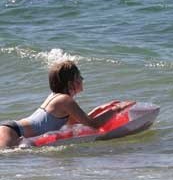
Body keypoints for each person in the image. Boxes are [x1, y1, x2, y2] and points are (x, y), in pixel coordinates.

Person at [0, 60, 129, 149]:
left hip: (11, 129)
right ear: (70, 83)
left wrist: (102, 108)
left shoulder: (57, 98)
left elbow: (76, 123)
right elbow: (93, 124)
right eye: (79, 77)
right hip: (12, 133)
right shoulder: (65, 100)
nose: (82, 79)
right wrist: (117, 109)